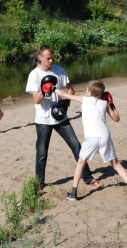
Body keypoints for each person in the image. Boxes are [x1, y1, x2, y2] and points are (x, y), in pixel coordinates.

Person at [25, 45, 100, 189]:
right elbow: (36, 100)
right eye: (48, 58)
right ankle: (39, 183)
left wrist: (66, 102)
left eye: (52, 57)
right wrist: (44, 88)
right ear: (40, 58)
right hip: (43, 120)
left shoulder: (59, 70)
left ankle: (88, 177)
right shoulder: (34, 75)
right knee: (42, 152)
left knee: (76, 146)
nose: (51, 61)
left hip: (61, 117)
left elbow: (70, 88)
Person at [54, 80, 127, 200]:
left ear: (89, 92)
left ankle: (73, 193)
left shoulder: (85, 99)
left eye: (86, 89)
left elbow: (63, 95)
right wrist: (112, 104)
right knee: (115, 163)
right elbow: (116, 118)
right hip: (105, 136)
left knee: (81, 163)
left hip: (92, 138)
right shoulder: (104, 103)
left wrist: (53, 88)